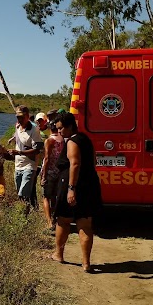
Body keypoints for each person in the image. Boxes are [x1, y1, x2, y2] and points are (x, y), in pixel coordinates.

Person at [51, 112, 102, 273]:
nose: (59, 132)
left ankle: (58, 254)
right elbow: (94, 161)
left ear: (70, 126)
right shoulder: (86, 139)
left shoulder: (72, 141)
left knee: (63, 220)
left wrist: (71, 188)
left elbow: (75, 164)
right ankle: (86, 263)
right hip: (89, 183)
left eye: (60, 129)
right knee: (85, 224)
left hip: (72, 184)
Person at [8, 105, 43, 214]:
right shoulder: (18, 127)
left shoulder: (34, 130)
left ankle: (24, 216)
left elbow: (37, 150)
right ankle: (25, 215)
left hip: (30, 166)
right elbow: (18, 138)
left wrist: (19, 152)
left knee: (23, 193)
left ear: (27, 116)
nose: (19, 119)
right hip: (18, 165)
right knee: (20, 193)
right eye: (17, 117)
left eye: (22, 117)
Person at [40, 120, 64, 232]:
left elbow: (47, 158)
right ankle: (55, 220)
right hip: (60, 172)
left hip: (50, 172)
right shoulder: (63, 140)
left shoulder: (49, 140)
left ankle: (49, 222)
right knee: (54, 197)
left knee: (46, 197)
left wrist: (43, 175)